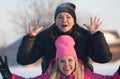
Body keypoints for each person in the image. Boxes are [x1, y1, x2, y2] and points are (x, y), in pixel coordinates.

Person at [17, 2, 112, 74]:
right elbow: (23, 60)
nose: (64, 20)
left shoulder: (84, 35)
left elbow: (104, 58)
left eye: (68, 17)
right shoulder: (45, 37)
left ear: (74, 20)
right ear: (55, 20)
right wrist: (30, 38)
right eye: (60, 17)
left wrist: (96, 36)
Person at [0, 35, 120, 79]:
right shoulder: (49, 76)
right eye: (62, 61)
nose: (66, 64)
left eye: (70, 60)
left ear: (75, 62)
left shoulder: (86, 76)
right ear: (57, 63)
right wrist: (10, 77)